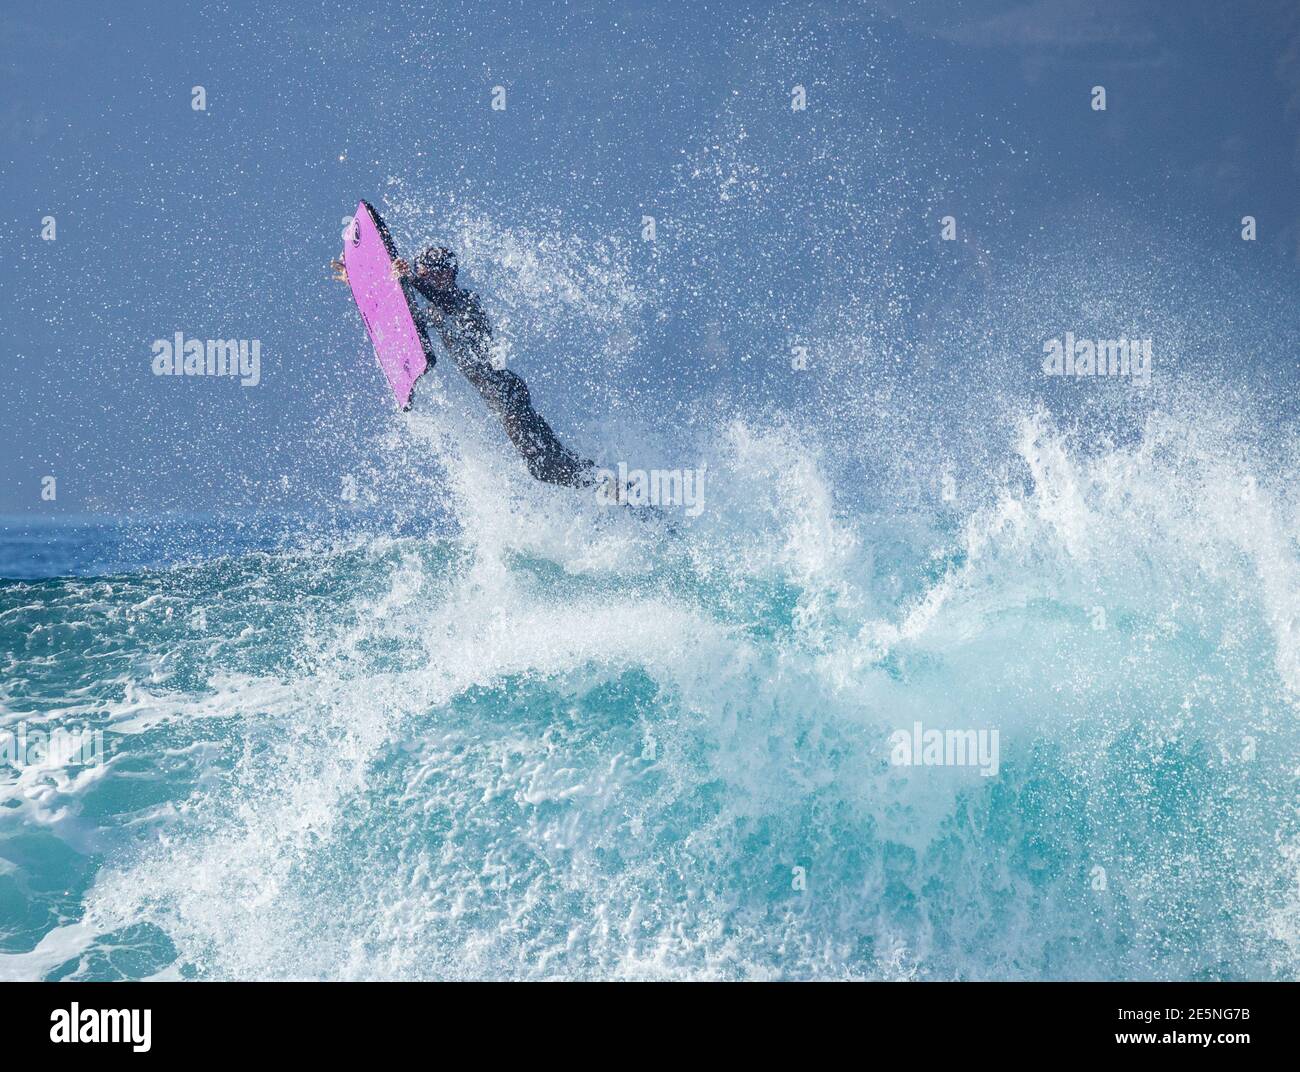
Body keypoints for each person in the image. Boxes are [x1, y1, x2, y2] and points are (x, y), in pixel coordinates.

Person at [332, 245, 598, 490]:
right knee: (550, 459)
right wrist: (357, 278)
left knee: (543, 465)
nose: (433, 281)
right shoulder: (430, 303)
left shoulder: (465, 302)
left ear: (452, 275)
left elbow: (442, 301)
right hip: (500, 396)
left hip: (506, 394)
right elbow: (392, 306)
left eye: (440, 275)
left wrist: (409, 279)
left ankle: (604, 484)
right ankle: (606, 481)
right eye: (427, 276)